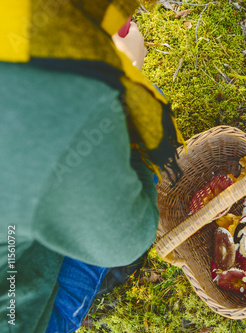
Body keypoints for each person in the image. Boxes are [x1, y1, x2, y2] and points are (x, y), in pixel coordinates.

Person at [1, 1, 182, 332]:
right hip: (23, 312)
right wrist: (123, 73)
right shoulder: (67, 101)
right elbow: (126, 236)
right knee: (95, 257)